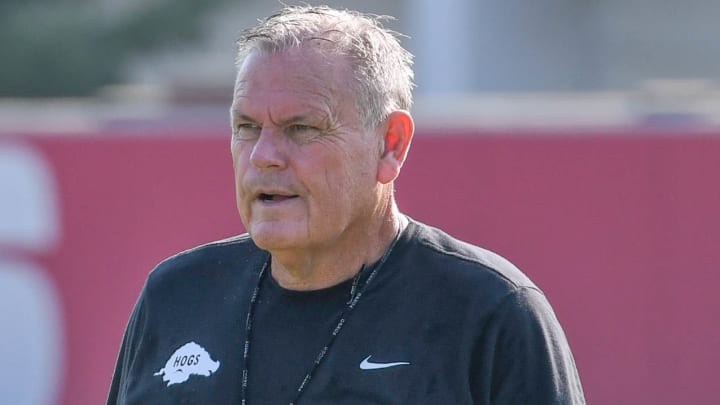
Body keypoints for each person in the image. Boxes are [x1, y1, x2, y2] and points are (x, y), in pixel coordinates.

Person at [107, 5, 585, 404]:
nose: (264, 156)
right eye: (247, 127)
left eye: (302, 128)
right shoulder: (175, 296)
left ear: (390, 144)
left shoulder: (490, 312)